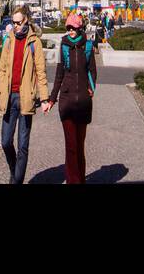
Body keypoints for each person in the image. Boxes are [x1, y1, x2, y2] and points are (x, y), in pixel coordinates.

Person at [0, 5, 50, 184]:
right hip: (9, 97)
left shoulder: (35, 42)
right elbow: (2, 68)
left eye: (18, 23)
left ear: (26, 20)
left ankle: (16, 181)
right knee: (5, 142)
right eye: (13, 22)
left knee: (23, 146)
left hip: (26, 98)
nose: (15, 26)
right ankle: (14, 170)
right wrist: (1, 89)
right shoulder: (9, 40)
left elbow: (41, 72)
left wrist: (44, 98)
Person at [43, 11, 97, 184]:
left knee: (79, 146)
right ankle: (73, 181)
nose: (70, 31)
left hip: (83, 102)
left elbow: (92, 71)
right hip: (66, 102)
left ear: (80, 28)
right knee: (71, 146)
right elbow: (59, 74)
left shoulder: (87, 46)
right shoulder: (64, 45)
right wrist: (51, 99)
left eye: (73, 28)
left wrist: (91, 88)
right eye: (68, 28)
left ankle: (80, 179)